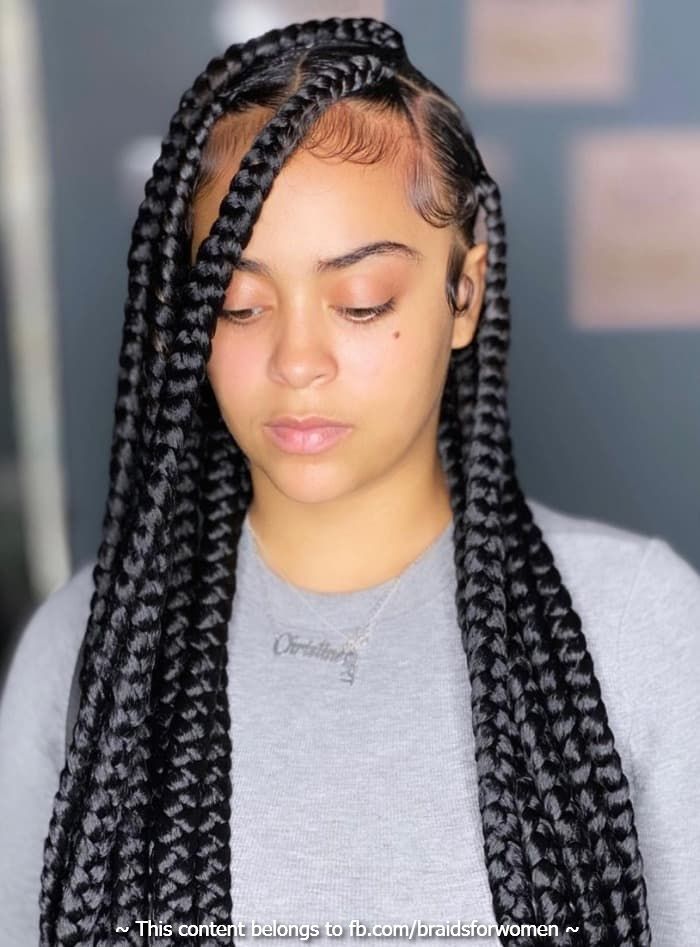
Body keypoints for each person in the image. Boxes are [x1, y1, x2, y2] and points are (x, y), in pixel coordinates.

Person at [0, 15, 698, 947]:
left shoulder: (641, 627)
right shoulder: (87, 655)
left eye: (361, 303)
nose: (297, 360)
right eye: (239, 304)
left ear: (464, 292)